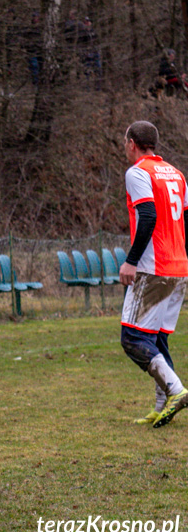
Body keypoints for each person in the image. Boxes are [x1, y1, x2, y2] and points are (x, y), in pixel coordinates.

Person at [119, 121, 188, 428]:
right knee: (156, 338)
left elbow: (147, 216)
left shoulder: (137, 172)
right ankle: (163, 405)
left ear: (132, 142)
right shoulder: (176, 174)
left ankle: (175, 391)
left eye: (124, 142)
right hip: (179, 265)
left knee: (132, 337)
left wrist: (131, 261)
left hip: (153, 267)